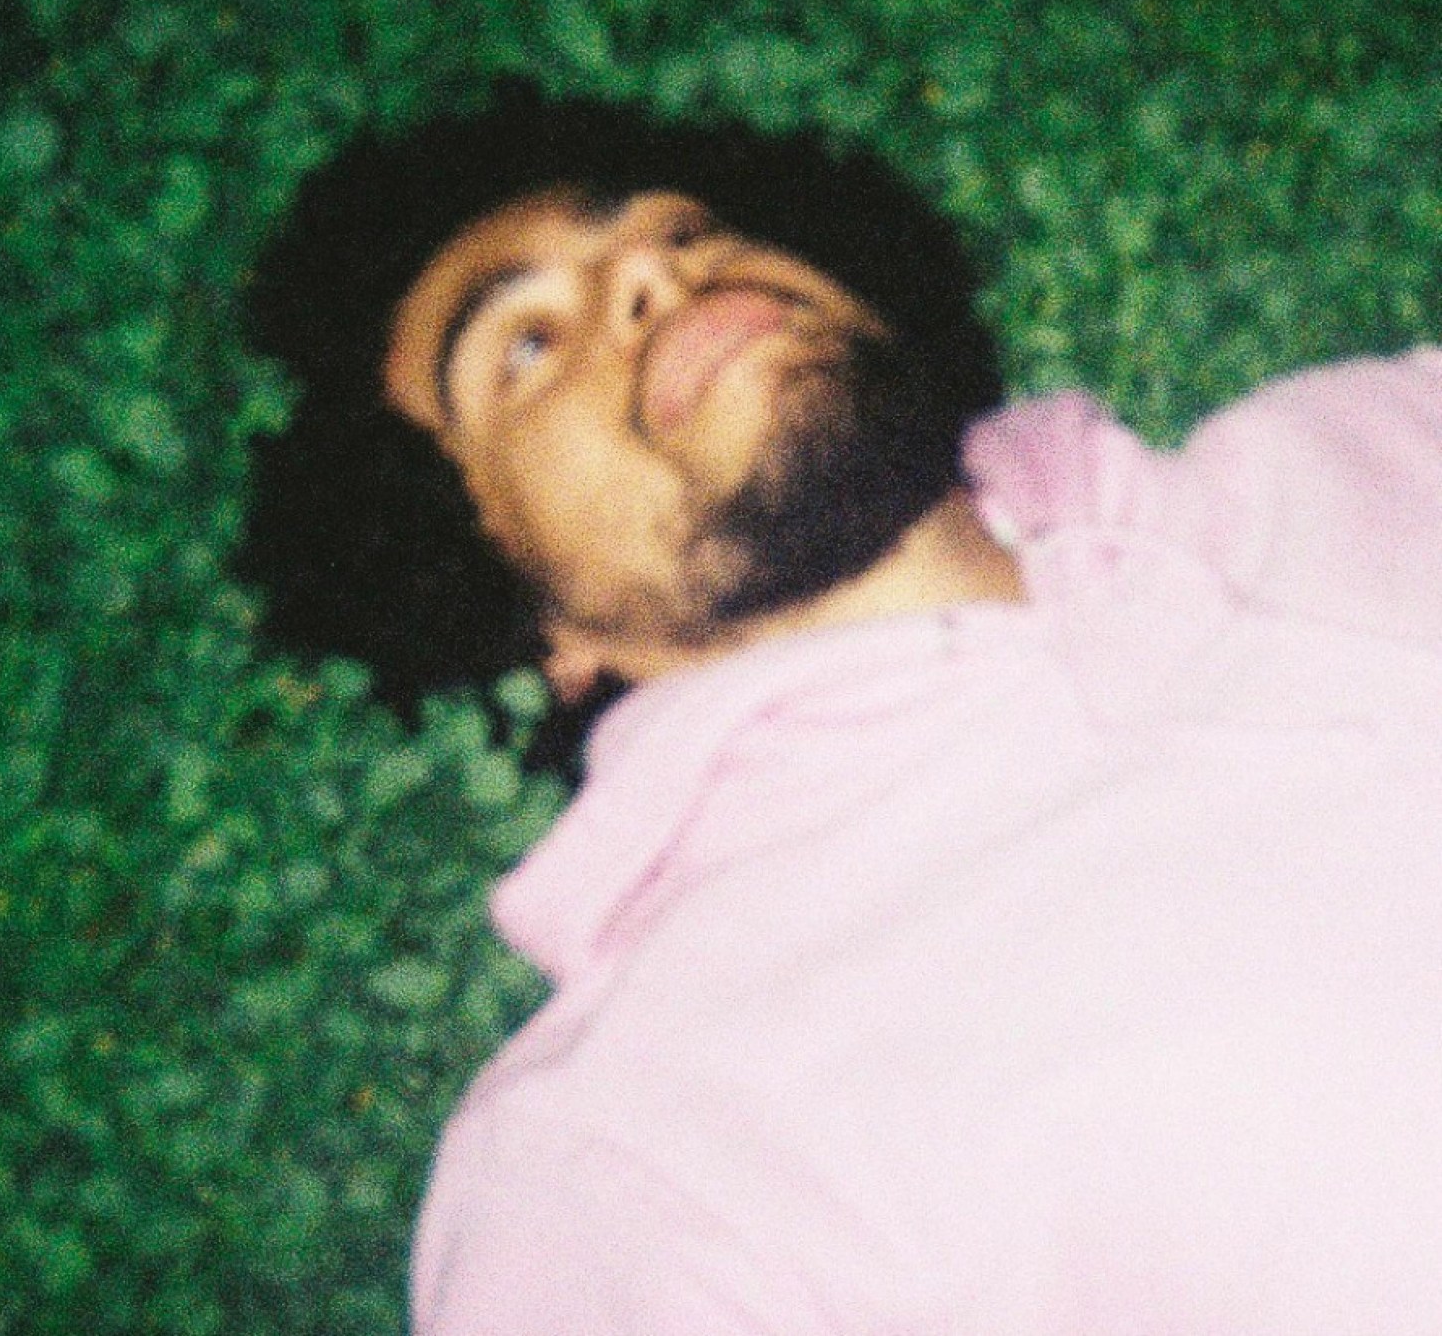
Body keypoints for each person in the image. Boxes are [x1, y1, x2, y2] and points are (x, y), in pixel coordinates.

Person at [258, 88, 1442, 1331]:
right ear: (523, 617)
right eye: (527, 347)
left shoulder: (1354, 437)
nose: (653, 275)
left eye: (685, 230)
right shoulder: (633, 1152)